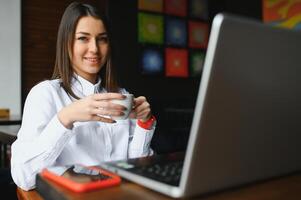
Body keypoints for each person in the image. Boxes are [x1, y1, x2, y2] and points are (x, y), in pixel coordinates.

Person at [11, 2, 156, 191]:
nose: (95, 49)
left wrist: (144, 124)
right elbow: (23, 176)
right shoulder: (45, 94)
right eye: (83, 38)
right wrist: (65, 118)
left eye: (102, 39)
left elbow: (134, 165)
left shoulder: (121, 95)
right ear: (66, 42)